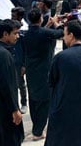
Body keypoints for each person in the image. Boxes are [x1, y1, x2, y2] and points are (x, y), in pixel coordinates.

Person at [45, 21, 81, 146]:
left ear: (71, 35)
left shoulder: (61, 57)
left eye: (65, 34)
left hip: (63, 107)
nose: (63, 38)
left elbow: (51, 80)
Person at [23, 8, 63, 141]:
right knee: (44, 100)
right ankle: (38, 131)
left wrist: (48, 26)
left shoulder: (27, 33)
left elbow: (42, 32)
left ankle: (36, 127)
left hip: (31, 70)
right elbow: (60, 33)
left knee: (33, 98)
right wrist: (56, 23)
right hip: (44, 70)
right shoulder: (44, 32)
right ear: (40, 18)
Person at [0, 19, 24, 146]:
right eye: (15, 33)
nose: (17, 36)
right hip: (4, 109)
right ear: (5, 34)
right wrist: (14, 109)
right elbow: (6, 85)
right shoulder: (3, 54)